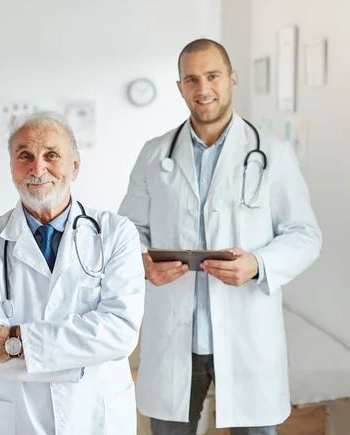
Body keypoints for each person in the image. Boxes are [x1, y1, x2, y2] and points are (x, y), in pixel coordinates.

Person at [119, 39, 322, 434]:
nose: (203, 88)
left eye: (212, 76)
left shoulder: (273, 154)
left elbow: (305, 234)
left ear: (232, 78)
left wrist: (259, 264)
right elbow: (128, 231)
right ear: (180, 87)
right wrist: (143, 263)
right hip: (176, 336)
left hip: (246, 333)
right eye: (191, 79)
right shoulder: (154, 154)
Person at [0, 112, 145, 435]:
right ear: (12, 167)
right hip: (13, 418)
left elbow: (121, 333)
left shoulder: (117, 233)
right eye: (24, 156)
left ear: (74, 165)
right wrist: (82, 353)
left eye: (51, 155)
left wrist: (13, 341)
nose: (37, 168)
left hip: (94, 415)